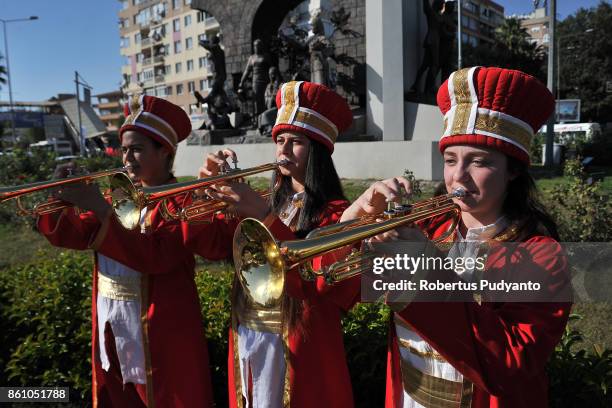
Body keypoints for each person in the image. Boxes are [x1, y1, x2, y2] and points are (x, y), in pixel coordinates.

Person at [342, 67, 572, 407]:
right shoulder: (429, 226)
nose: (458, 178)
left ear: (513, 171)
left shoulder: (541, 256)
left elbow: (509, 364)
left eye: (478, 161)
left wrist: (428, 268)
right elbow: (335, 293)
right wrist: (352, 223)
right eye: (450, 160)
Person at [183, 81, 359, 407]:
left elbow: (319, 277)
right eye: (279, 140)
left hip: (302, 351)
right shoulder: (265, 201)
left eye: (296, 142)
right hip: (248, 337)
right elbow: (209, 245)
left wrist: (263, 216)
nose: (283, 150)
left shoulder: (336, 213)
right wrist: (202, 189)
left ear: (318, 151)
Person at [37, 95, 214, 407]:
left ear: (165, 152)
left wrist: (103, 212)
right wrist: (60, 197)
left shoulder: (182, 202)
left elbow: (157, 257)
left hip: (163, 334)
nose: (127, 158)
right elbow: (71, 235)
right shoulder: (113, 197)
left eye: (137, 149)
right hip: (111, 323)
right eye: (124, 149)